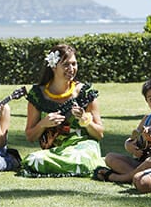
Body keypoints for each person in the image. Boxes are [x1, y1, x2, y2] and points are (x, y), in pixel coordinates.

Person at [19, 44, 105, 177]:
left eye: (74, 64)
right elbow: (30, 136)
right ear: (53, 66)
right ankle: (69, 167)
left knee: (81, 159)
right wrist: (43, 124)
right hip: (56, 150)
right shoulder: (38, 95)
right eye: (66, 65)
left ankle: (71, 166)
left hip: (83, 146)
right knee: (33, 159)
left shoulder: (85, 93)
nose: (71, 69)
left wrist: (85, 120)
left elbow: (99, 134)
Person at [93, 76, 151, 183]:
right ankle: (138, 177)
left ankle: (121, 177)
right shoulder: (147, 118)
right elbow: (133, 138)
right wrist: (129, 146)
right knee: (110, 157)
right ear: (146, 100)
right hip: (142, 162)